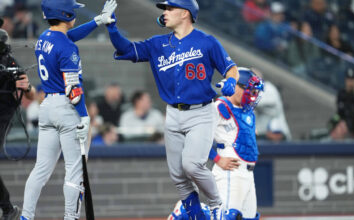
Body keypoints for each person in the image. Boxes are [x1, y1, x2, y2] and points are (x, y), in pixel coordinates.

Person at [106, 0, 239, 219]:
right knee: (178, 175)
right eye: (164, 9)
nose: (165, 12)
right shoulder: (158, 43)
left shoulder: (206, 42)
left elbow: (230, 68)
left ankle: (216, 206)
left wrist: (231, 81)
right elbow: (126, 49)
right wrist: (112, 28)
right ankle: (197, 215)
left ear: (185, 13)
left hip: (201, 112)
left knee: (192, 165)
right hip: (173, 113)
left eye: (169, 8)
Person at [19, 0, 117, 219]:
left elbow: (67, 36)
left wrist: (97, 21)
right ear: (64, 14)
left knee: (41, 169)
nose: (75, 12)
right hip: (66, 108)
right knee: (74, 171)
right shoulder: (67, 47)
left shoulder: (44, 37)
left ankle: (26, 216)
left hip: (46, 107)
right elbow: (73, 89)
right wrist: (84, 116)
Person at [208, 67, 263, 220]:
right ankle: (184, 212)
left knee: (249, 218)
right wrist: (217, 159)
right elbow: (197, 140)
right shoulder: (219, 107)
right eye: (249, 89)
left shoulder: (246, 111)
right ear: (236, 87)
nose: (252, 95)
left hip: (248, 173)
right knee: (226, 217)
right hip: (230, 171)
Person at [0, 26, 35, 220]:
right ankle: (7, 209)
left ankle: (7, 209)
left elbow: (32, 93)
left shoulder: (10, 63)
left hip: (2, 114)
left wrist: (26, 86)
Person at [253, 68, 291, 141]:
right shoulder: (253, 91)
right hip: (262, 134)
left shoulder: (269, 88)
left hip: (278, 133)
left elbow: (257, 103)